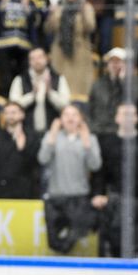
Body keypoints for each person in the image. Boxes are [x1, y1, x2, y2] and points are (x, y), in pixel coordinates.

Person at [91, 103, 138, 257]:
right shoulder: (107, 144)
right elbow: (100, 174)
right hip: (115, 203)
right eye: (124, 114)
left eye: (132, 114)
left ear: (137, 118)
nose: (128, 117)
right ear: (117, 118)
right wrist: (98, 194)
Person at [39, 105, 102, 254]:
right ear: (60, 119)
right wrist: (52, 136)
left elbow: (95, 165)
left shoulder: (90, 138)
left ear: (81, 119)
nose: (70, 118)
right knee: (53, 242)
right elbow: (43, 158)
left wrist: (87, 144)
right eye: (66, 114)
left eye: (74, 114)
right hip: (55, 198)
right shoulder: (52, 136)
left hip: (78, 198)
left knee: (71, 241)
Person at [45, 0, 96, 97]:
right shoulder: (59, 9)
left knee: (79, 84)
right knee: (60, 83)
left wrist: (83, 13)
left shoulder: (86, 7)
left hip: (79, 50)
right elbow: (48, 29)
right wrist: (51, 14)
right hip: (60, 51)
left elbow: (90, 27)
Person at [88, 47, 138, 146]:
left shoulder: (135, 83)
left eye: (118, 61)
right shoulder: (98, 84)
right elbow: (90, 110)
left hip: (121, 134)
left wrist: (123, 82)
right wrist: (93, 128)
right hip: (99, 132)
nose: (115, 65)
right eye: (112, 61)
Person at [0, 102, 41, 199]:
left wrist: (23, 148)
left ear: (22, 114)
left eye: (13, 112)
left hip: (25, 188)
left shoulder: (31, 136)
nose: (10, 116)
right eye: (7, 113)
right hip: (0, 188)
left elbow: (35, 163)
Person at [9, 47, 70, 134]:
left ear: (46, 59)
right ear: (29, 62)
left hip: (54, 131)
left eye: (40, 57)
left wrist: (50, 92)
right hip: (26, 132)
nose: (37, 61)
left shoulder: (59, 78)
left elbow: (65, 105)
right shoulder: (19, 79)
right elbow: (13, 107)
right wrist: (32, 95)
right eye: (33, 58)